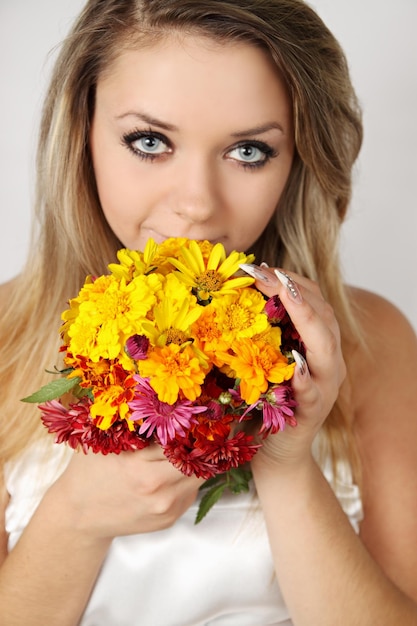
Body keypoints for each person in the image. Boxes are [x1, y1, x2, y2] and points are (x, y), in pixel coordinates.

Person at [0, 0, 416, 624]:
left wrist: (287, 462)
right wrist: (73, 519)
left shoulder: (371, 339)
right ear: (81, 131)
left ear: (297, 159)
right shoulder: (6, 335)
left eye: (248, 151)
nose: (196, 205)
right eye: (149, 141)